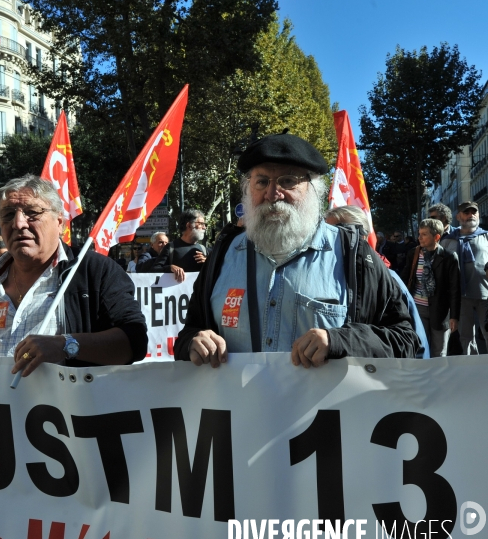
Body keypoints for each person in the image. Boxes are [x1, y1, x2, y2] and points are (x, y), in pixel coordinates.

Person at [174, 132, 420, 367]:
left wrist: (339, 341)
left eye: (288, 181)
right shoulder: (223, 254)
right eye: (261, 182)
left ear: (314, 189)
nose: (273, 194)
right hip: (238, 410)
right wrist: (193, 343)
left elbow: (405, 340)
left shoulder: (353, 254)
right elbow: (189, 335)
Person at [0, 175, 148, 376]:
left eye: (32, 212)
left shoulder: (94, 272)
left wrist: (66, 345)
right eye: (8, 214)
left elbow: (133, 341)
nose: (19, 223)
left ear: (59, 222)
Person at [325, 205, 430, 359]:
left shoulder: (389, 279)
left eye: (338, 232)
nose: (328, 240)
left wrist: (341, 341)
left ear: (362, 237)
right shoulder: (318, 277)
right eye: (325, 232)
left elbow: (412, 343)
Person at [401, 218, 460, 357]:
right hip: (417, 309)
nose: (419, 237)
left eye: (424, 234)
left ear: (437, 237)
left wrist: (454, 317)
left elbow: (455, 289)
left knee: (439, 352)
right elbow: (404, 279)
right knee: (419, 349)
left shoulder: (449, 257)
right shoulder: (413, 254)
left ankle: (439, 378)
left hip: (440, 311)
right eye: (419, 233)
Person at [441, 201, 488, 354]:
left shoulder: (486, 236)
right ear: (458, 216)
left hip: (485, 295)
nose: (470, 215)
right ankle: (470, 370)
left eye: (473, 212)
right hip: (461, 297)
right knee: (466, 336)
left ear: (478, 215)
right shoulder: (448, 240)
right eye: (466, 212)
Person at [149, 209, 208, 282]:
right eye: (201, 224)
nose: (204, 227)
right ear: (189, 225)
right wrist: (170, 268)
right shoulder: (171, 247)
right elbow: (154, 270)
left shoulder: (203, 249)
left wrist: (207, 263)